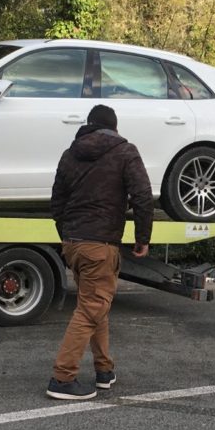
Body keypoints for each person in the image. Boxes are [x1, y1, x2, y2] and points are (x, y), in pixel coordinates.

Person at [47, 105, 153, 400]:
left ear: (89, 125)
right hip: (101, 243)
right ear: (114, 128)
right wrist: (142, 238)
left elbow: (56, 201)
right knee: (90, 309)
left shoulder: (70, 154)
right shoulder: (125, 151)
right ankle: (62, 378)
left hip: (74, 243)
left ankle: (104, 370)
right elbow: (142, 196)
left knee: (95, 306)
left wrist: (66, 235)